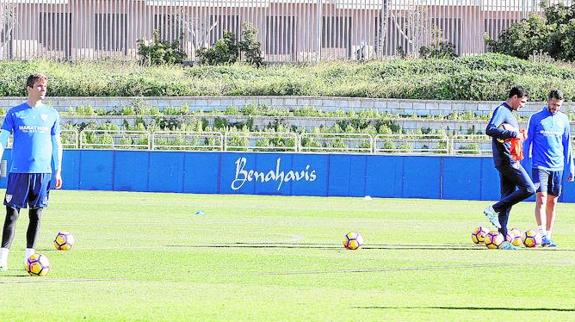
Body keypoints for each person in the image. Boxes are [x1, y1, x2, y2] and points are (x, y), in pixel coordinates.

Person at [0, 74, 62, 271]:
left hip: (43, 172)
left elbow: (56, 143)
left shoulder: (52, 114)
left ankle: (30, 257)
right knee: (12, 214)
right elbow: (2, 140)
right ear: (29, 88)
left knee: (36, 215)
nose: (43, 89)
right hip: (19, 172)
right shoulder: (15, 113)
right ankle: (2, 258)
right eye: (39, 86)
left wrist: (58, 169)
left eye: (45, 86)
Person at [483, 85, 536, 250]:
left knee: (507, 199)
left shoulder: (510, 114)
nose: (523, 105)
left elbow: (507, 135)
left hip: (509, 159)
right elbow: (490, 129)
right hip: (506, 161)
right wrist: (513, 134)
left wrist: (519, 134)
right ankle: (493, 208)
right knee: (529, 189)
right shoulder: (502, 110)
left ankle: (504, 240)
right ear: (515, 97)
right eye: (522, 101)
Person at [523, 89, 574, 248]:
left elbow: (567, 145)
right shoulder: (536, 118)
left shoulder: (564, 120)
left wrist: (570, 167)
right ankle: (542, 234)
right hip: (539, 166)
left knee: (553, 201)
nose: (555, 108)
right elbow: (527, 142)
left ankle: (549, 235)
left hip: (557, 166)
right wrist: (524, 163)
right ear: (548, 101)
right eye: (553, 104)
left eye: (558, 105)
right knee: (541, 198)